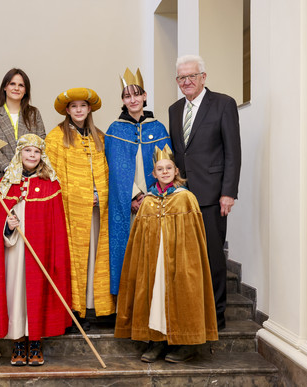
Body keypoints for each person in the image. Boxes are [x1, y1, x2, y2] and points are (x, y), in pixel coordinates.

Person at [114, 145, 218, 363]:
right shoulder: (148, 201)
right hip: (153, 259)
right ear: (154, 174)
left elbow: (195, 237)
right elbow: (138, 238)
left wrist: (185, 260)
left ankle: (183, 344)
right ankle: (157, 342)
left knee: (181, 294)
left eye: (168, 168)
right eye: (160, 169)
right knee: (156, 297)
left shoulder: (185, 198)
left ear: (176, 171)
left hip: (179, 258)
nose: (164, 172)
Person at [0, 134, 72, 366]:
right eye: (28, 151)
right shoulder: (6, 183)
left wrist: (50, 250)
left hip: (39, 251)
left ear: (42, 156)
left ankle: (36, 342)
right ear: (20, 154)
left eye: (36, 152)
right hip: (13, 252)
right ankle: (18, 342)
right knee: (15, 295)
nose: (32, 155)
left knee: (37, 293)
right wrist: (7, 226)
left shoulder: (51, 184)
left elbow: (57, 224)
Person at [168, 55, 241, 331]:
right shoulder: (175, 110)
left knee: (212, 256)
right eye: (181, 78)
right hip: (182, 195)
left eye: (191, 76)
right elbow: (178, 153)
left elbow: (233, 151)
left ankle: (216, 316)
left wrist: (228, 192)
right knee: (187, 257)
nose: (186, 82)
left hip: (212, 196)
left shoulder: (223, 104)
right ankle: (194, 311)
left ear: (203, 77)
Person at [46, 88, 115, 329]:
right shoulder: (56, 137)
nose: (78, 110)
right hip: (71, 211)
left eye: (82, 106)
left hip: (98, 209)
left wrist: (98, 194)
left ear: (89, 109)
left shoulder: (100, 136)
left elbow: (106, 171)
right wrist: (80, 195)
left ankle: (100, 308)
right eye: (73, 106)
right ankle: (77, 310)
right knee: (77, 260)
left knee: (98, 257)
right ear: (67, 110)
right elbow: (51, 174)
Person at [105, 68, 172, 295]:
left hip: (155, 200)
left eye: (137, 94)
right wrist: (135, 196)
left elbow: (166, 166)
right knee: (128, 250)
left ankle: (153, 299)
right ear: (123, 100)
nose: (132, 100)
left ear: (144, 96)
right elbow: (113, 168)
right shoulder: (115, 129)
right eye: (127, 96)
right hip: (127, 203)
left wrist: (150, 196)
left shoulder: (158, 127)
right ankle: (129, 302)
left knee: (154, 251)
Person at [0, 68, 46, 185]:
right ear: (5, 87)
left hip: (31, 176)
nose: (16, 88)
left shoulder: (34, 113)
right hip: (1, 176)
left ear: (26, 91)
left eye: (21, 85)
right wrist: (9, 168)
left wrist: (27, 168)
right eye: (12, 84)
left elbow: (41, 141)